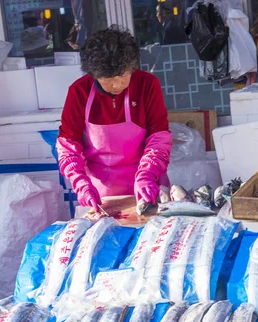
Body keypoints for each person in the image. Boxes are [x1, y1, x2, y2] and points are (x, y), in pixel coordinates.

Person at [56, 27, 172, 210]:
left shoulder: (147, 85)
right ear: (94, 75)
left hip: (148, 186)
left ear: (132, 67)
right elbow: (67, 146)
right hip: (100, 194)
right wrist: (80, 183)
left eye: (123, 76)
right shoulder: (79, 92)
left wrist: (147, 175)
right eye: (108, 80)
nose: (117, 85)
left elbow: (159, 137)